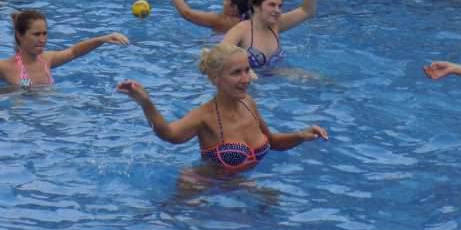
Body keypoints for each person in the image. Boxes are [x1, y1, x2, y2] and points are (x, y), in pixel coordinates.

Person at [116, 44, 327, 172]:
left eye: (247, 70)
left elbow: (271, 141)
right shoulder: (203, 116)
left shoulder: (248, 103)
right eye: (236, 73)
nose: (246, 79)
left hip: (241, 188)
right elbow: (169, 135)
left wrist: (302, 135)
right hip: (203, 189)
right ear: (215, 78)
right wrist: (146, 103)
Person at [0, 10, 129, 85]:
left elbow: (74, 51)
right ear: (19, 36)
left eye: (45, 34)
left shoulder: (47, 60)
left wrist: (102, 39)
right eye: (36, 35)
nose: (42, 40)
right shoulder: (5, 67)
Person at [221, 0, 318, 70]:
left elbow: (307, 11)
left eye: (280, 6)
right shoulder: (241, 30)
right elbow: (216, 59)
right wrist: (242, 70)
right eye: (272, 5)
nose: (277, 10)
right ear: (256, 7)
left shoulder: (276, 25)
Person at [164, 0, 251, 35]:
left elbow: (186, 13)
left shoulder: (219, 21)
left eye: (226, 0)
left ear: (234, 7)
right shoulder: (248, 24)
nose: (223, 1)